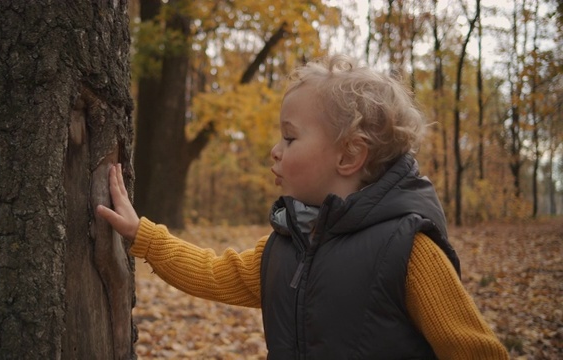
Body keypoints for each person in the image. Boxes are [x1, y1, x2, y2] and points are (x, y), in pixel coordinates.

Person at [97, 55, 509, 359]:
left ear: (349, 156)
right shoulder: (285, 246)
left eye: (290, 139)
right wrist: (143, 236)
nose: (275, 152)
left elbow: (476, 351)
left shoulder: (409, 253)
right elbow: (212, 272)